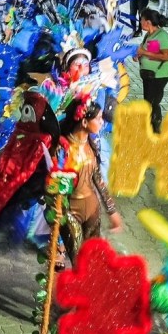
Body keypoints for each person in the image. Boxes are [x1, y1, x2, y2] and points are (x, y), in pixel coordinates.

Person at [55, 99, 123, 262]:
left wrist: (112, 211)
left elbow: (98, 180)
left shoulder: (92, 145)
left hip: (92, 210)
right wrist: (55, 209)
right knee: (79, 262)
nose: (102, 122)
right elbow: (53, 184)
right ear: (84, 122)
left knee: (93, 259)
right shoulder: (62, 149)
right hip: (70, 213)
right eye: (98, 118)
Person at [136, 9, 168, 132]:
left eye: (141, 20)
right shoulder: (149, 35)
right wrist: (139, 55)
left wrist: (143, 52)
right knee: (148, 101)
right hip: (148, 75)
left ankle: (156, 129)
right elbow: (153, 53)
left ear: (148, 22)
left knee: (153, 102)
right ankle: (149, 127)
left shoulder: (162, 35)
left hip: (159, 75)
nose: (140, 22)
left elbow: (166, 56)